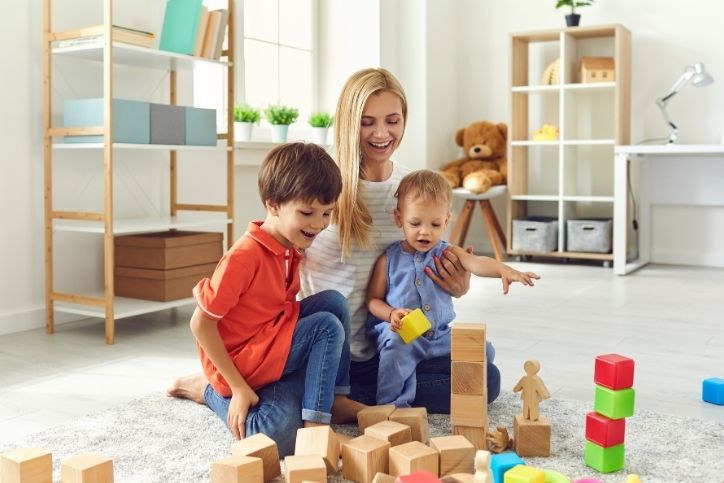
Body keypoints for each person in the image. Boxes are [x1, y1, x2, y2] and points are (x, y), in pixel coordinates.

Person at [299, 67, 500, 412]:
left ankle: (351, 400)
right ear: (349, 122)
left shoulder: (413, 190)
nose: (381, 133)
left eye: (392, 120)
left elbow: (429, 265)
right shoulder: (322, 183)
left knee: (487, 368)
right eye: (367, 122)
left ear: (404, 120)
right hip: (338, 352)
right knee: (480, 382)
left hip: (396, 343)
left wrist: (458, 285)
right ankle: (336, 397)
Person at [168, 143, 364, 456]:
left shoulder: (289, 244)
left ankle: (333, 401)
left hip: (269, 341)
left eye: (326, 213)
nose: (318, 223)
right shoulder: (244, 257)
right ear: (273, 205)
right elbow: (200, 323)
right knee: (273, 435)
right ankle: (208, 391)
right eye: (306, 213)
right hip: (241, 362)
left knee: (333, 303)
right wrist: (237, 387)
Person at [366, 170, 540, 407]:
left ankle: (423, 375)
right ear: (399, 219)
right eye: (415, 223)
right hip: (404, 335)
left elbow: (477, 263)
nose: (425, 231)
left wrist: (504, 270)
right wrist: (390, 314)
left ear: (446, 221)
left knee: (484, 350)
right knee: (395, 350)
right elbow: (373, 300)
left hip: (440, 335)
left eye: (435, 224)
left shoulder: (447, 252)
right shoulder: (389, 259)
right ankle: (388, 406)